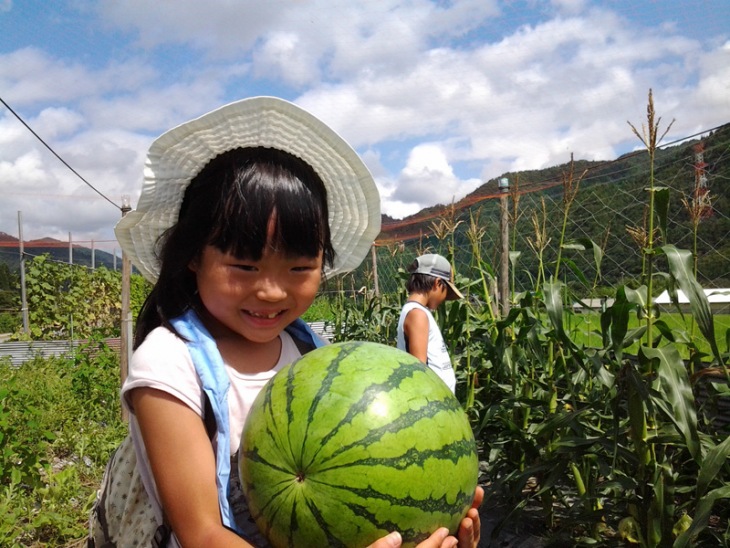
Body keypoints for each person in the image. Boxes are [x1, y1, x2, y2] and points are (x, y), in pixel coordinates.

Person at [115, 97, 482, 547]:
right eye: (244, 267)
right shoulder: (169, 365)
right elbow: (202, 534)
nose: (271, 291)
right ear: (193, 255)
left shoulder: (309, 352)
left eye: (298, 268)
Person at [397, 254, 464, 394]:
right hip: (433, 399)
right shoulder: (417, 314)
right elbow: (419, 368)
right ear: (437, 283)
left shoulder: (417, 311)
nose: (444, 298)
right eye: (446, 292)